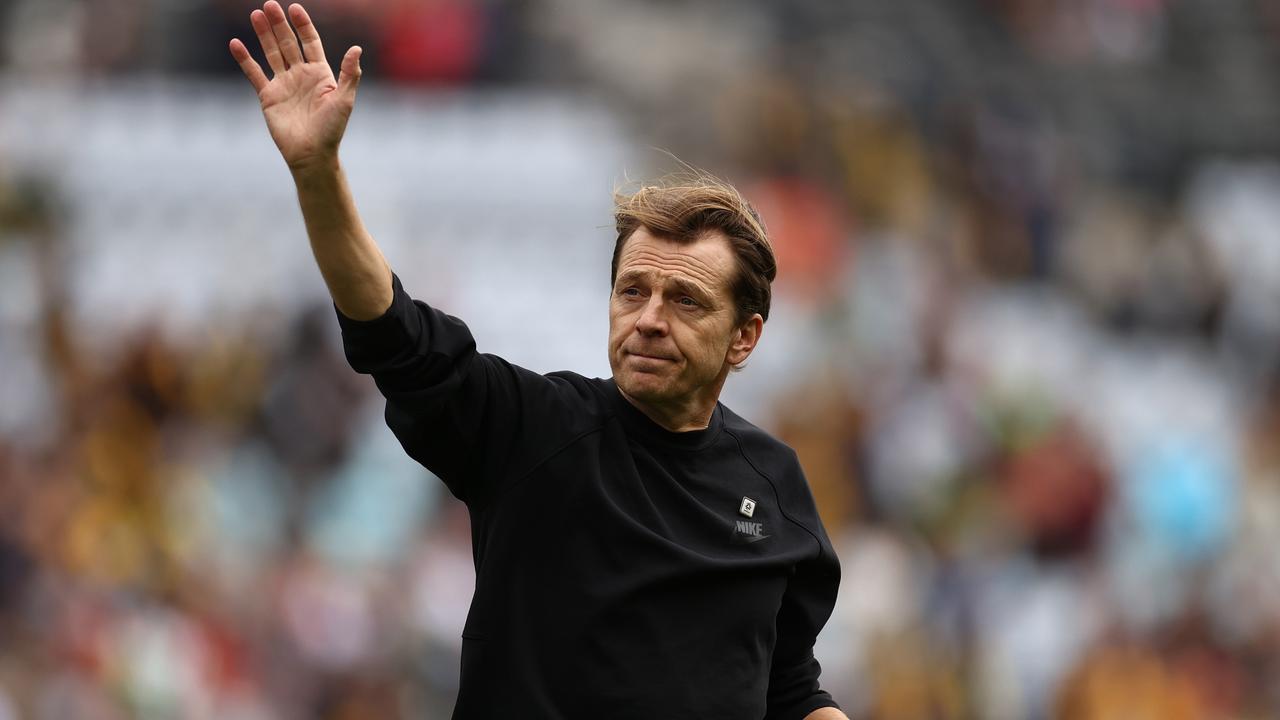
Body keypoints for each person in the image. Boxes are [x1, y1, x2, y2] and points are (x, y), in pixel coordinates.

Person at [229, 3, 847, 718]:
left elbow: (790, 686)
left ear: (745, 337)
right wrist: (317, 172)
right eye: (632, 291)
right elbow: (392, 332)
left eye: (684, 301)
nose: (647, 319)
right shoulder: (536, 431)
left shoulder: (773, 483)